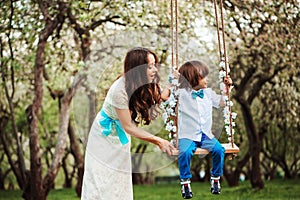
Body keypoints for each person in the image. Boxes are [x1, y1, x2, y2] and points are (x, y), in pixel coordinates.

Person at [81, 47, 175, 200]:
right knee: (100, 183)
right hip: (103, 137)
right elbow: (128, 127)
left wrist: (172, 82)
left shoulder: (144, 83)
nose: (154, 70)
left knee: (119, 181)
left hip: (120, 137)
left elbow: (161, 96)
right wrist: (158, 140)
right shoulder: (120, 90)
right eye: (149, 66)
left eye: (154, 65)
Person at [176, 60, 232, 198]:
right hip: (187, 135)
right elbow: (167, 98)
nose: (207, 79)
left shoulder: (208, 93)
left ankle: (215, 179)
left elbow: (222, 103)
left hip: (205, 135)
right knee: (184, 152)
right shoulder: (182, 94)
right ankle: (185, 183)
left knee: (219, 150)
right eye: (204, 77)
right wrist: (174, 80)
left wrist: (227, 88)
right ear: (193, 78)